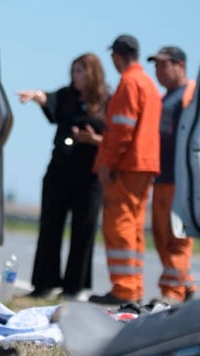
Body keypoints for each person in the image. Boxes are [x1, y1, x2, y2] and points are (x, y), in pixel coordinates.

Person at [17, 53, 108, 300]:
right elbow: (49, 99)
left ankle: (74, 287)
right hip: (60, 169)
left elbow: (117, 139)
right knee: (50, 226)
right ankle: (44, 283)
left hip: (88, 175)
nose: (75, 76)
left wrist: (93, 139)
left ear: (91, 73)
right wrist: (35, 96)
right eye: (73, 71)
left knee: (84, 229)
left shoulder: (106, 101)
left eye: (79, 71)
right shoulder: (67, 95)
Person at [89, 35, 162, 305]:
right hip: (144, 165)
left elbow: (121, 129)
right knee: (133, 227)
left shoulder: (129, 83)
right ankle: (133, 286)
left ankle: (124, 289)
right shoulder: (148, 84)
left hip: (127, 165)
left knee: (119, 225)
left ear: (117, 56)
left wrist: (107, 162)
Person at [147, 46, 197, 304]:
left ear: (180, 65)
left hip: (182, 179)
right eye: (155, 65)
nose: (158, 71)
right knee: (161, 236)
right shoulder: (164, 98)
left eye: (163, 65)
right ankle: (187, 287)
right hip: (162, 176)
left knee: (178, 237)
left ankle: (172, 292)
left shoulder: (190, 93)